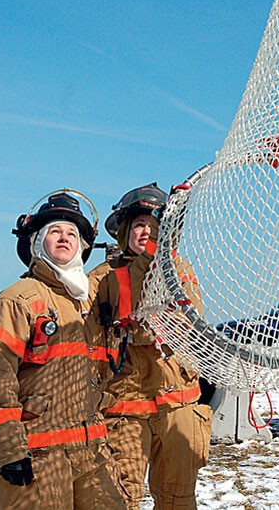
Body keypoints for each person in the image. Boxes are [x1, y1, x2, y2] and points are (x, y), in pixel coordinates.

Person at [0, 190, 125, 510]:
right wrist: (10, 449)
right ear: (36, 241)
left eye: (72, 233)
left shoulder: (86, 302)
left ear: (83, 247)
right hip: (38, 454)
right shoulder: (17, 300)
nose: (64, 237)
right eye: (55, 231)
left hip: (92, 451)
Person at [89, 183, 213, 509]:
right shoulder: (103, 277)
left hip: (178, 404)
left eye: (153, 225)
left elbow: (188, 324)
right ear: (125, 231)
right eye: (140, 224)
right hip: (123, 407)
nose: (146, 231)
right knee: (121, 496)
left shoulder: (180, 271)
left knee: (178, 498)